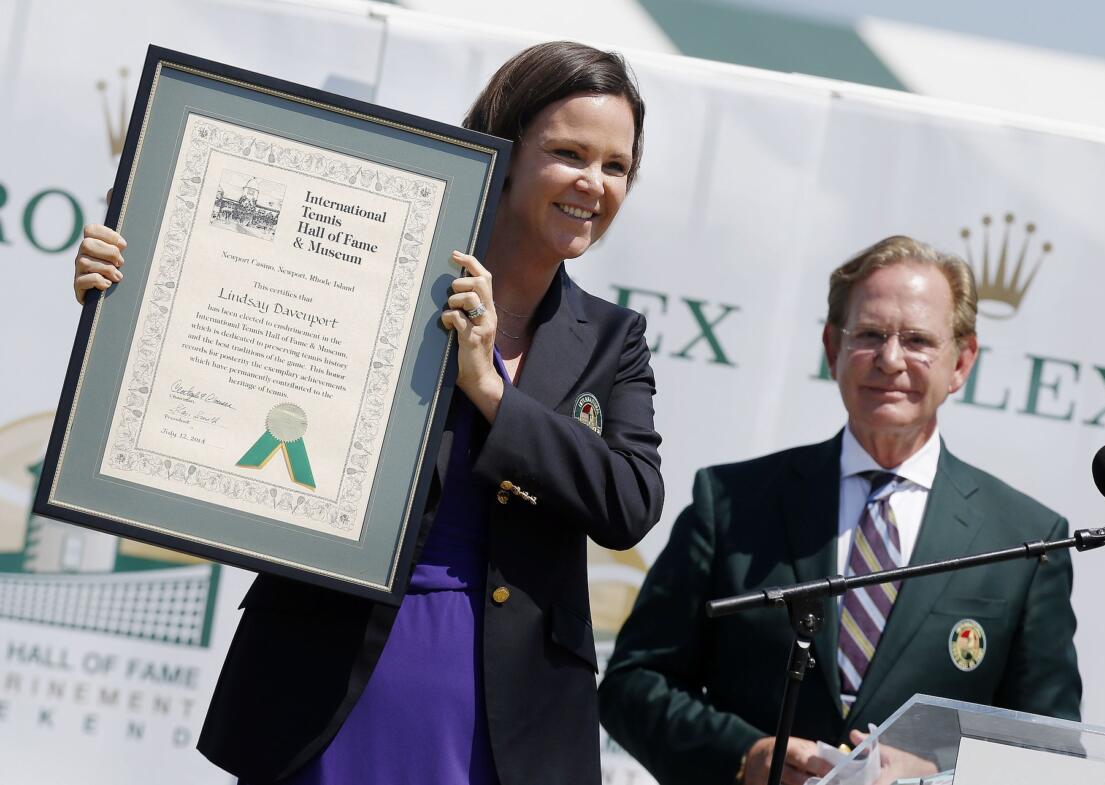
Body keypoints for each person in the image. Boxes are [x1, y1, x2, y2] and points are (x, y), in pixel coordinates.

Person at [72, 41, 664, 785]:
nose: (593, 183)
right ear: (506, 149)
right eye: (569, 153)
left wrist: (489, 389)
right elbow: (229, 338)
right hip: (333, 674)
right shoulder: (380, 274)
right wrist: (125, 286)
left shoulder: (614, 339)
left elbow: (630, 500)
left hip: (508, 714)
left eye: (616, 166)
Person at [598, 235, 1080, 785]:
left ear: (961, 362)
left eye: (918, 340)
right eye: (870, 335)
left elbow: (1050, 754)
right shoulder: (733, 502)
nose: (891, 359)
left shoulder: (1026, 540)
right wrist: (744, 757)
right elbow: (633, 684)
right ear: (832, 348)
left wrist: (940, 772)